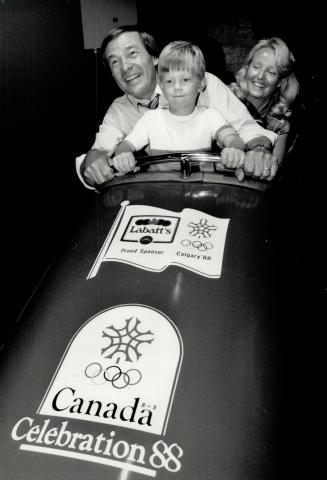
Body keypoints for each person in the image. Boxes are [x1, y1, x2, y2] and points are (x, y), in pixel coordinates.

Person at [76, 25, 278, 189]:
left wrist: (257, 150)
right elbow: (99, 152)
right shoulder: (118, 110)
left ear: (154, 57)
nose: (125, 66)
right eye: (114, 61)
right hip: (159, 193)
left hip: (210, 187)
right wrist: (92, 163)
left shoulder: (202, 82)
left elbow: (244, 128)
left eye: (132, 53)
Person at [112, 41, 246, 173]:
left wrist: (234, 150)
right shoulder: (151, 119)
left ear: (201, 84)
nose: (177, 87)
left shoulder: (211, 117)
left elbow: (234, 140)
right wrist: (123, 155)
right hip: (158, 189)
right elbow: (125, 146)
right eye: (169, 81)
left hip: (200, 188)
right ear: (162, 86)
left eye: (185, 80)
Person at [229, 37, 300, 167]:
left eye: (271, 72)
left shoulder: (279, 125)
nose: (260, 77)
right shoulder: (225, 98)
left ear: (280, 81)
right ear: (247, 68)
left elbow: (270, 176)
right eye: (256, 67)